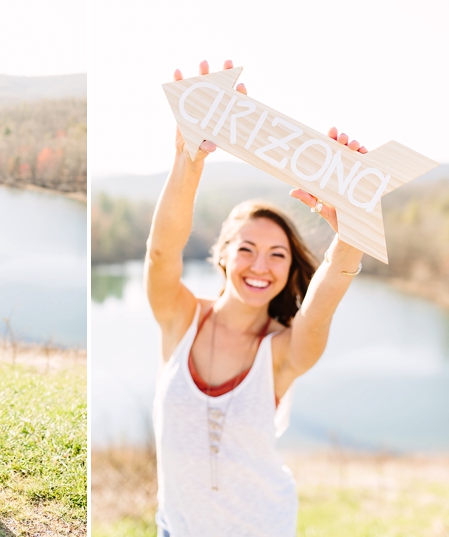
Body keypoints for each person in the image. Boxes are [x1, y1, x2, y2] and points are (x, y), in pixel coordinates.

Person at [146, 60, 367, 535]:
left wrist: (352, 230)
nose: (260, 266)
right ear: (223, 256)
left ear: (290, 271)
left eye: (277, 255)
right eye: (246, 249)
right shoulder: (180, 319)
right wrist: (188, 156)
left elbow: (326, 294)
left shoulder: (286, 351)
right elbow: (162, 252)